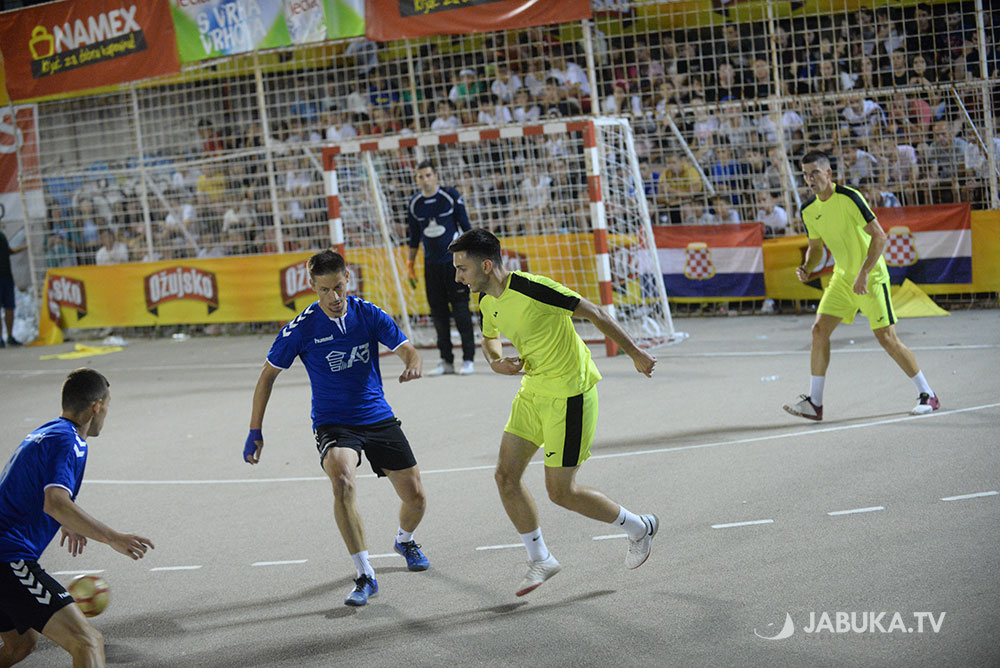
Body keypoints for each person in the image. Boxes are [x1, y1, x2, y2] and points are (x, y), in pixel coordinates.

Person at [449, 229, 659, 597]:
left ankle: (639, 527)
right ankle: (541, 558)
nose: (457, 277)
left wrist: (635, 353)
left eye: (462, 268)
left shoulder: (534, 288)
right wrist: (496, 361)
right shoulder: (486, 300)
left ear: (486, 266)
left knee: (561, 492)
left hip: (570, 395)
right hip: (532, 393)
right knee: (505, 477)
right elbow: (489, 336)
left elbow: (594, 312)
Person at [244, 250, 429, 607]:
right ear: (312, 287)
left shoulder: (368, 313)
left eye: (339, 287)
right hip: (333, 422)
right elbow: (267, 376)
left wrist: (413, 364)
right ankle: (365, 574)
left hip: (377, 415)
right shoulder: (301, 328)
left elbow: (408, 349)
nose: (334, 297)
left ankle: (404, 541)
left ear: (348, 279)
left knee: (416, 497)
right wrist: (256, 431)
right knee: (342, 481)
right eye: (325, 289)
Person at [0, 368, 154, 667]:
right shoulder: (67, 441)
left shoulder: (48, 431)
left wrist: (66, 521)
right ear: (97, 406)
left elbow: (34, 490)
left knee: (20, 645)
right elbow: (55, 502)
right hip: (8, 557)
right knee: (87, 641)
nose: (106, 413)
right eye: (107, 406)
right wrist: (113, 538)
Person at [784, 150, 940, 421]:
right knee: (819, 331)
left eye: (815, 173)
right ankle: (815, 403)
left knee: (887, 338)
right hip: (843, 279)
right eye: (805, 175)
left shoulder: (849, 197)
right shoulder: (809, 209)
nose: (810, 179)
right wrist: (808, 267)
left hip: (871, 277)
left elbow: (880, 237)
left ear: (828, 173)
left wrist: (864, 273)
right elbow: (816, 248)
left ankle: (928, 394)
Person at [405, 161, 476, 376]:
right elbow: (414, 237)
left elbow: (466, 227)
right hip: (431, 266)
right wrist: (410, 265)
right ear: (416, 179)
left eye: (428, 175)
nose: (425, 180)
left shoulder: (450, 196)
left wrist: (470, 259)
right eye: (420, 176)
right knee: (438, 314)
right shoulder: (414, 203)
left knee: (461, 311)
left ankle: (468, 359)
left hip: (453, 266)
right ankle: (446, 360)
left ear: (435, 176)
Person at [1, 229, 27, 347]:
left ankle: (10, 337)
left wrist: (23, 248)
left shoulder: (2, 236)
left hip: (7, 277)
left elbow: (8, 251)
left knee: (9, 308)